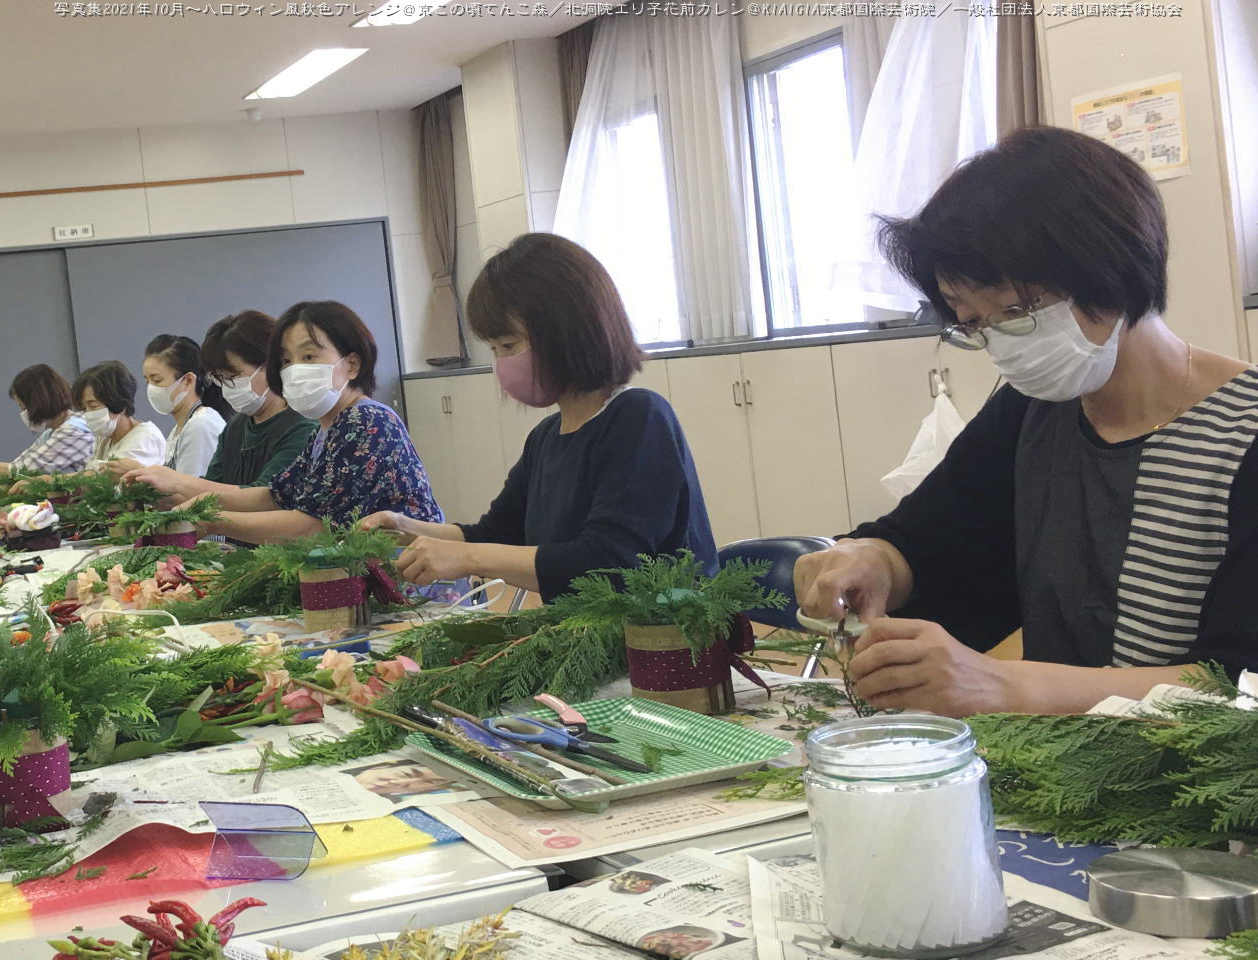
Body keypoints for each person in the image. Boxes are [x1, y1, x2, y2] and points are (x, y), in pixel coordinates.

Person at [793, 126, 1258, 718]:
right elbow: (930, 537)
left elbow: (1240, 685)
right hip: (1056, 763)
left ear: (1113, 271)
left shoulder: (1241, 434)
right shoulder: (1032, 410)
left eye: (1017, 309)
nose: (1000, 340)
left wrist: (1004, 685)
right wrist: (872, 560)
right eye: (971, 320)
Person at [361, 232, 716, 602]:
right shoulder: (546, 437)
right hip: (586, 631)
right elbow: (496, 533)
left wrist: (467, 558)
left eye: (509, 345)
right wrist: (406, 528)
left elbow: (609, 563)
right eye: (494, 349)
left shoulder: (638, 418)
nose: (501, 363)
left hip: (662, 632)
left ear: (566, 330)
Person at [179, 301, 442, 544]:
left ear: (352, 365)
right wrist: (204, 501)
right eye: (286, 361)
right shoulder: (326, 430)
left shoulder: (365, 421)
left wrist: (212, 519)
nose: (293, 370)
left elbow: (314, 526)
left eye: (308, 357)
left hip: (407, 572)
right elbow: (277, 496)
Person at [124, 311, 316, 500]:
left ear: (270, 365)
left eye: (233, 376)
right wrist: (151, 491)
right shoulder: (237, 426)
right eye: (221, 379)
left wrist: (179, 483)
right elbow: (210, 489)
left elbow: (266, 497)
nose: (227, 387)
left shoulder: (303, 428)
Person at [111, 335, 227, 478]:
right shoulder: (179, 430)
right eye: (148, 381)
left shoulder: (201, 426)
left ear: (188, 381)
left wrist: (141, 471)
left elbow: (190, 488)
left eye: (157, 380)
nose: (151, 389)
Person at [0, 365, 94, 481]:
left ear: (37, 403)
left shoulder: (73, 431)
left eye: (23, 407)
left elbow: (24, 472)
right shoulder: (49, 434)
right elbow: (19, 464)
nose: (23, 413)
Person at [76, 361, 167, 473]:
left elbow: (102, 476)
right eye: (84, 408)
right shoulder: (106, 436)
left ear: (117, 403)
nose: (87, 414)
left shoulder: (144, 438)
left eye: (93, 406)